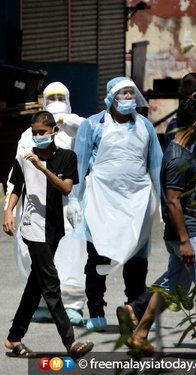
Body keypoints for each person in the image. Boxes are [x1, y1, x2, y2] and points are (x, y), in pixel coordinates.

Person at [68, 77, 162, 331]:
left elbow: (156, 166)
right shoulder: (93, 125)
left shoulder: (145, 127)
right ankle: (96, 311)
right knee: (98, 258)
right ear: (111, 98)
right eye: (124, 94)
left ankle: (135, 309)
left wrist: (163, 202)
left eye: (132, 93)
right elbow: (79, 164)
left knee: (136, 261)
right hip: (101, 201)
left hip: (137, 202)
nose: (129, 98)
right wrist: (74, 199)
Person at [123, 99, 196, 356]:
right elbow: (173, 201)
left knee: (172, 287)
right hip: (189, 234)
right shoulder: (176, 158)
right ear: (195, 125)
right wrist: (185, 241)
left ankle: (139, 334)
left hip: (187, 231)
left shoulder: (183, 153)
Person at [2, 111, 94, 360]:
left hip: (54, 227)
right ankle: (70, 342)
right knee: (51, 285)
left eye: (42, 132)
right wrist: (9, 212)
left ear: (54, 131)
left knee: (36, 285)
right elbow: (16, 186)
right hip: (33, 228)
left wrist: (42, 169)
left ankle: (13, 337)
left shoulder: (66, 157)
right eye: (34, 133)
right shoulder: (24, 157)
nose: (37, 137)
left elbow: (65, 187)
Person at [5, 82, 87, 326]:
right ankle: (41, 304)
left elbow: (91, 133)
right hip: (36, 205)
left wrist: (65, 120)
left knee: (70, 254)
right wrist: (7, 208)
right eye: (52, 97)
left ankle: (71, 305)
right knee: (38, 256)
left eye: (62, 96)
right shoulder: (28, 136)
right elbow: (16, 173)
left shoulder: (74, 130)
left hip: (67, 204)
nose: (57, 101)